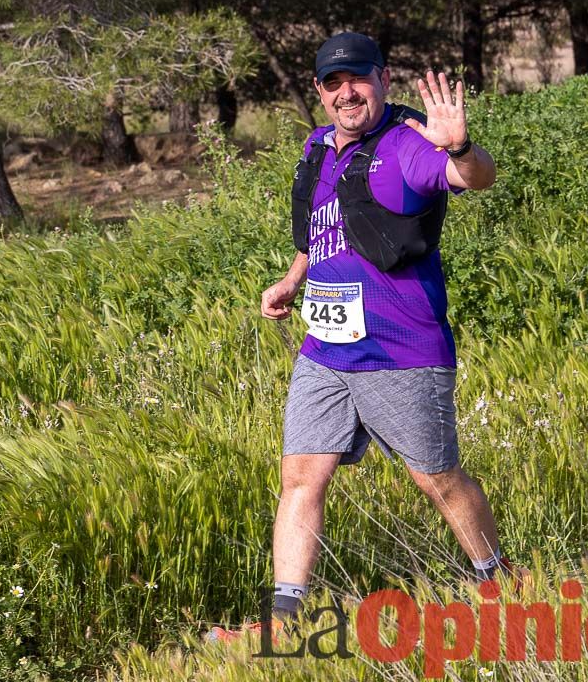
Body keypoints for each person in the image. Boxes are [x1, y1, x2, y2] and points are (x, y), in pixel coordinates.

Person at [209, 32, 512, 642]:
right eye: (333, 82)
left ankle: (503, 582)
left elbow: (473, 176)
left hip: (401, 351)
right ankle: (282, 626)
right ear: (319, 91)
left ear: (384, 80)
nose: (347, 93)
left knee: (438, 478)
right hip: (324, 350)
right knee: (301, 476)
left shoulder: (407, 146)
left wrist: (464, 147)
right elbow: (322, 233)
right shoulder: (319, 147)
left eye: (359, 79)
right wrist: (292, 280)